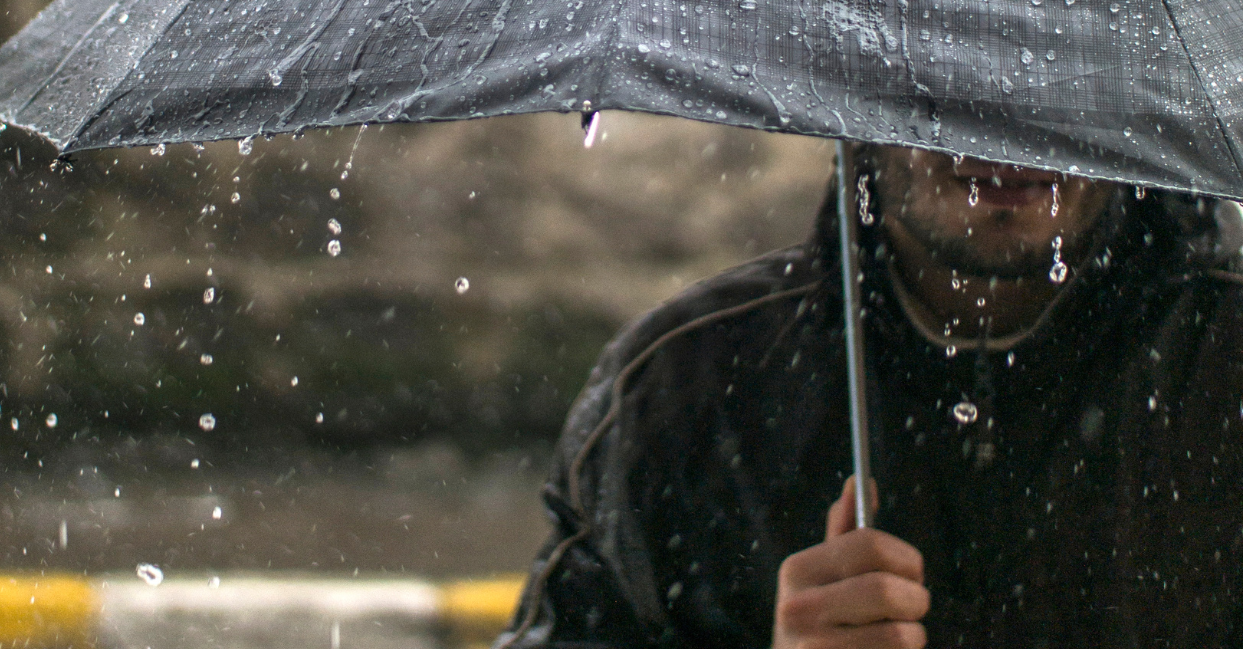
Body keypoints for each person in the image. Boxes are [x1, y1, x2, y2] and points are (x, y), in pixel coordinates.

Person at [495, 145, 1243, 649]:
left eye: (1063, 60)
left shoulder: (1225, 363)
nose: (1009, 131)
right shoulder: (681, 391)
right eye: (952, 69)